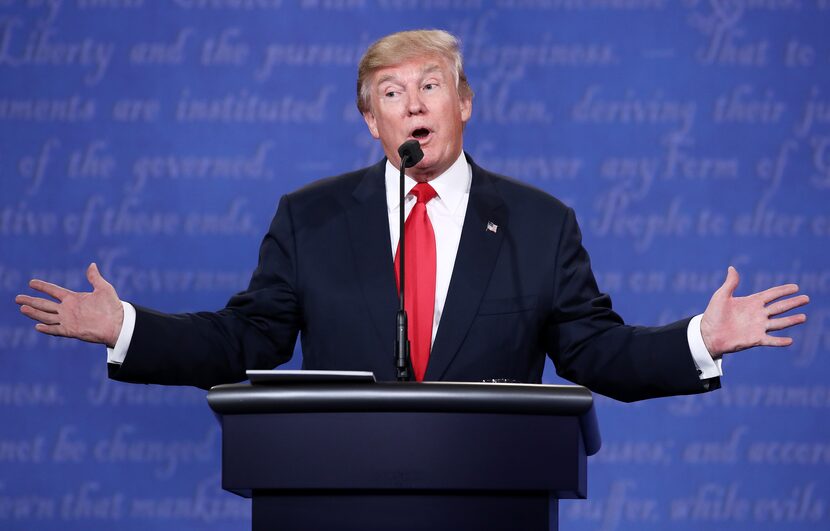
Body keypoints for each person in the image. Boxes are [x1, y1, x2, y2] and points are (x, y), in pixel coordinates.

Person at [15, 30, 808, 402]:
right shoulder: (310, 219)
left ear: (463, 103)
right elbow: (244, 338)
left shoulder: (538, 223)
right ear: (372, 122)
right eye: (390, 95)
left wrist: (702, 338)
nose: (412, 105)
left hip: (493, 499)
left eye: (430, 86)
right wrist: (125, 326)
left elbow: (595, 353)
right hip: (333, 499)